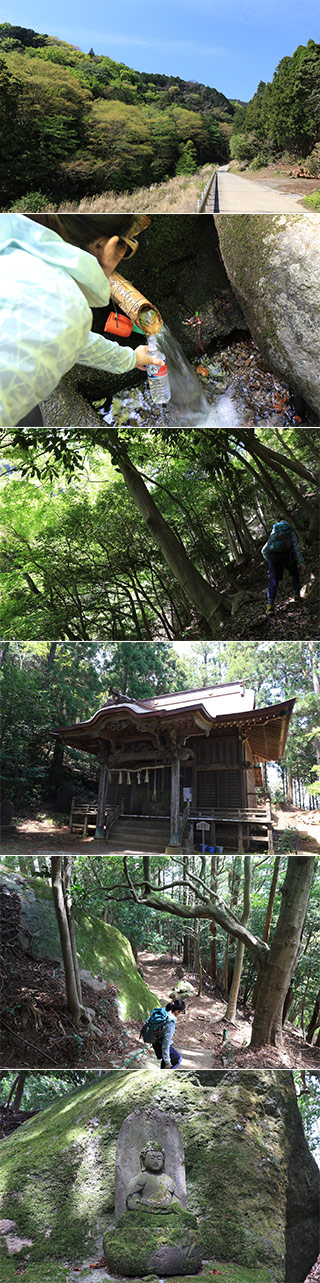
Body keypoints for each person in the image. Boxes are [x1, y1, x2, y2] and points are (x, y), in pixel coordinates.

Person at [0, 213, 161, 426]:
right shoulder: (63, 302)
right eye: (127, 248)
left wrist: (131, 358)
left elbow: (66, 337)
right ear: (110, 246)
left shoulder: (15, 250)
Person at [261, 520, 305, 614]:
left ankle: (270, 606)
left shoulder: (274, 533)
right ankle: (297, 595)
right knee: (295, 574)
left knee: (273, 581)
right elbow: (296, 548)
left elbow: (264, 550)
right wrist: (301, 562)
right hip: (287, 556)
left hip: (274, 557)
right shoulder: (290, 533)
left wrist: (269, 559)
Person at [140, 1000, 185, 1069]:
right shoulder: (170, 1024)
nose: (181, 1013)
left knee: (165, 1061)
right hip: (160, 1045)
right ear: (177, 1011)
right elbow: (165, 1045)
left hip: (155, 1043)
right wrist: (167, 1062)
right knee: (178, 1059)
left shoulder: (163, 1012)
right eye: (181, 1012)